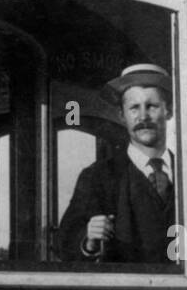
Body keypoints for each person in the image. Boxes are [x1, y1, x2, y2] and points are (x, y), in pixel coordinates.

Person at [58, 63, 175, 263]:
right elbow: (66, 243)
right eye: (134, 108)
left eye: (152, 106)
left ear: (169, 112)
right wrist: (88, 240)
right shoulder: (97, 176)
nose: (143, 116)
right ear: (122, 116)